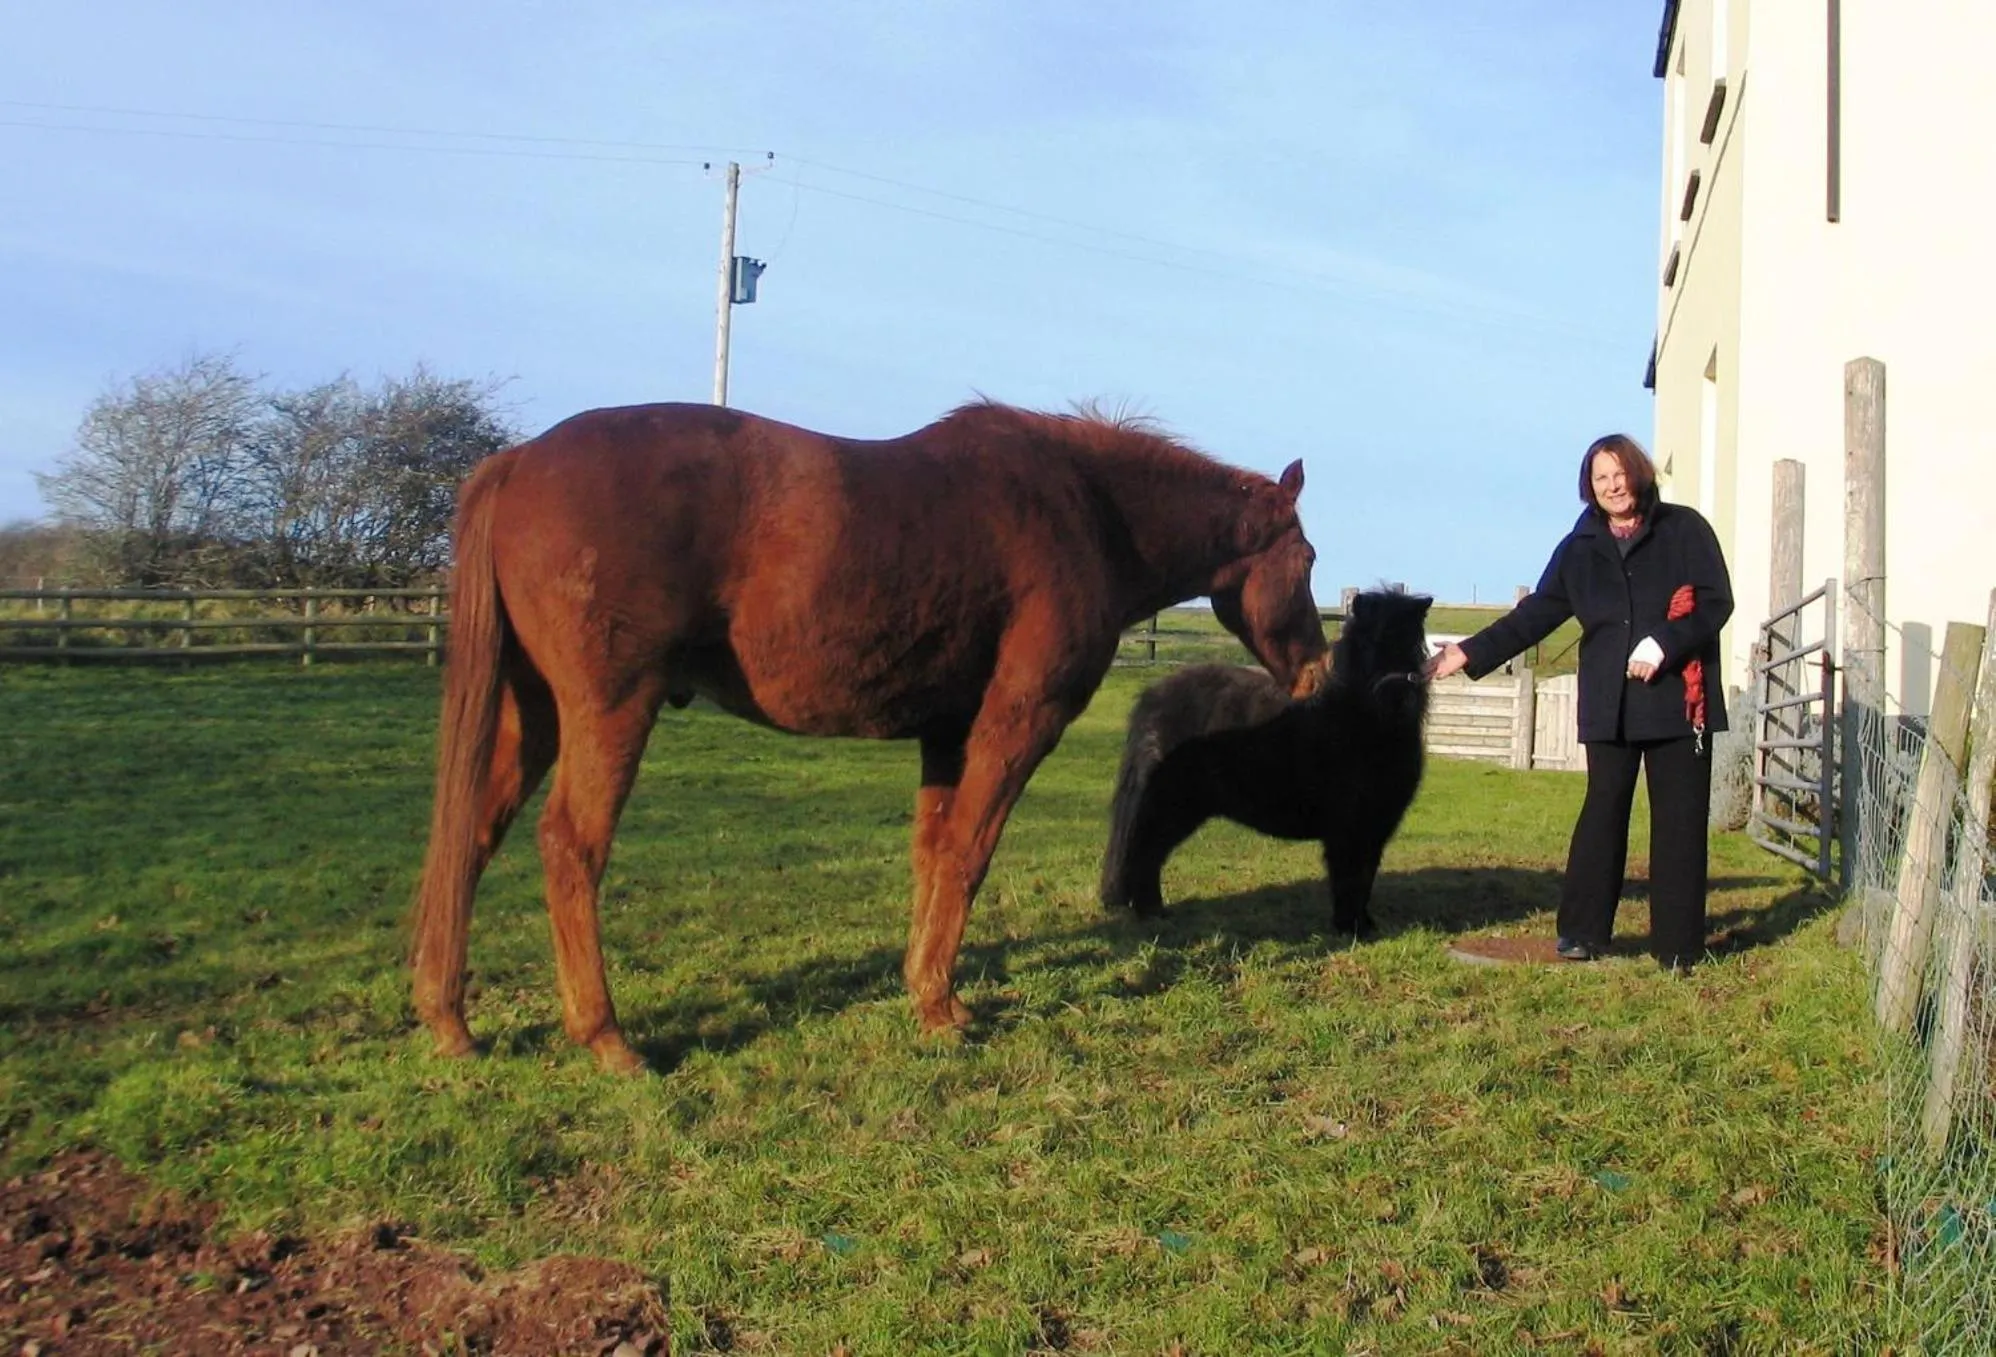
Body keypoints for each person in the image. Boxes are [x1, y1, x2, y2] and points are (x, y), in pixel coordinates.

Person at [1426, 434, 1734, 969]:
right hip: (1609, 703)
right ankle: (1583, 934)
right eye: (1600, 478)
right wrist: (1467, 654)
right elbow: (1535, 615)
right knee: (1602, 813)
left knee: (1680, 821)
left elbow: (1714, 603)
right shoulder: (1579, 547)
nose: (1612, 486)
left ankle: (1679, 947)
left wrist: (1665, 641)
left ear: (1638, 473)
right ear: (1588, 487)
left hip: (1677, 704)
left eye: (1619, 474)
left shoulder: (1686, 530)